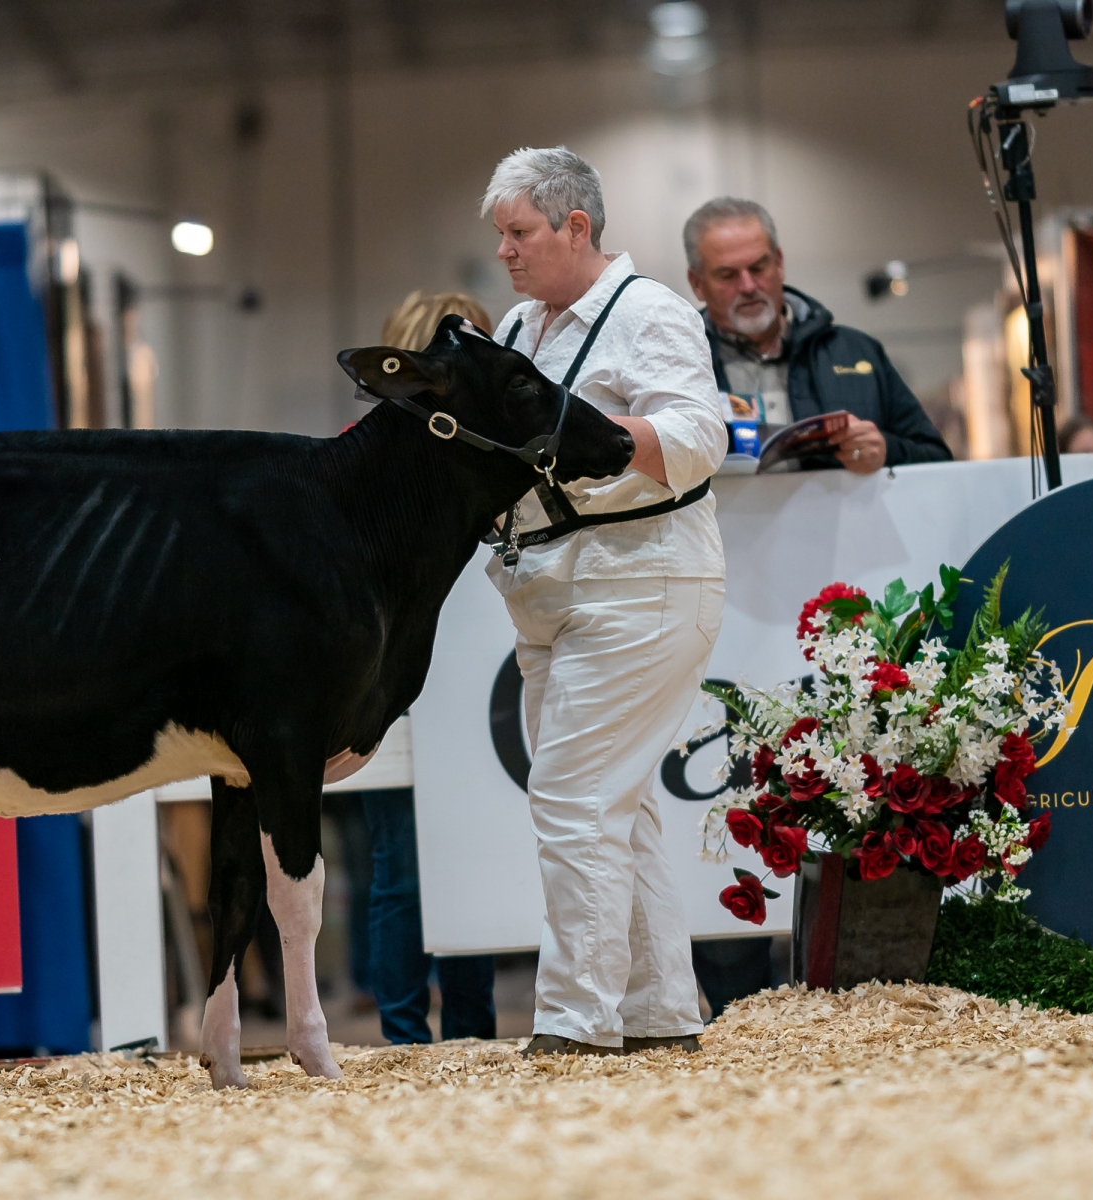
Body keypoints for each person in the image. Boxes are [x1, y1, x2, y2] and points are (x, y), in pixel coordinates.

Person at [483, 146, 726, 1057]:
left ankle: (576, 1023)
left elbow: (699, 437)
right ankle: (661, 1013)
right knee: (617, 807)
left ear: (575, 225)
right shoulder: (518, 327)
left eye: (519, 232)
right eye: (501, 234)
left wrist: (588, 431)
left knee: (574, 797)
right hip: (547, 587)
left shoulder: (650, 312)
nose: (504, 251)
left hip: (641, 580)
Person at [358, 290, 499, 1047]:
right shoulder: (367, 456)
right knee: (412, 867)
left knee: (435, 862)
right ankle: (424, 1038)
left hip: (454, 682)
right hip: (410, 688)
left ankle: (438, 1036)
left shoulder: (490, 458)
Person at [683, 197, 952, 473]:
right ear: (697, 283)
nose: (748, 286)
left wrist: (886, 450)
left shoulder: (856, 351)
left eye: (758, 268)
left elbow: (937, 460)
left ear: (779, 263)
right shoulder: (679, 365)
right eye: (728, 275)